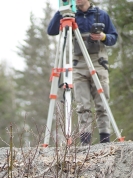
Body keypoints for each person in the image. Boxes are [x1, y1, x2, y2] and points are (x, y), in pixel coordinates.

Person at [47, 0, 118, 144]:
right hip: (78, 64)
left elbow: (113, 38)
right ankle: (85, 143)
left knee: (102, 104)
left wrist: (103, 37)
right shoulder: (70, 16)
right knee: (82, 106)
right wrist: (62, 10)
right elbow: (52, 30)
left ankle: (105, 141)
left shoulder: (101, 15)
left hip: (98, 62)